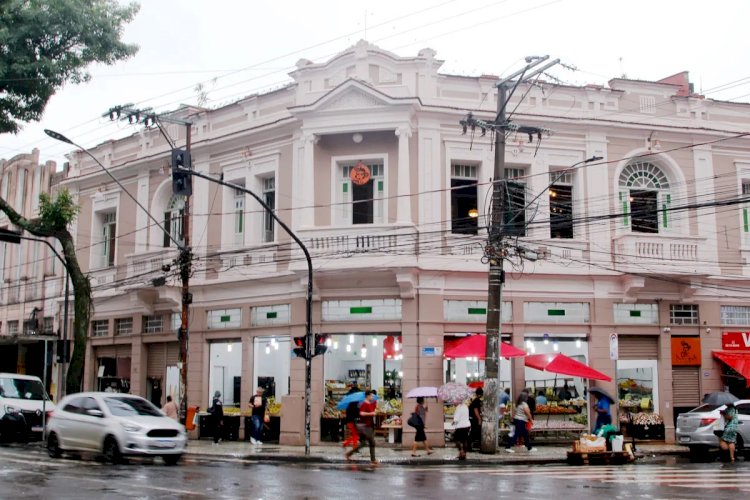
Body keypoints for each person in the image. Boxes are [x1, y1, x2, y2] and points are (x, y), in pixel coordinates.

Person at [345, 390, 378, 464]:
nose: (372, 397)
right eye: (371, 395)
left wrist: (373, 412)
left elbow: (371, 411)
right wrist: (371, 413)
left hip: (368, 425)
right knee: (372, 442)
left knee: (364, 443)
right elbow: (361, 413)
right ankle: (373, 460)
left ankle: (349, 454)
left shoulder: (369, 403)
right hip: (365, 426)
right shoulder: (364, 403)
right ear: (368, 396)